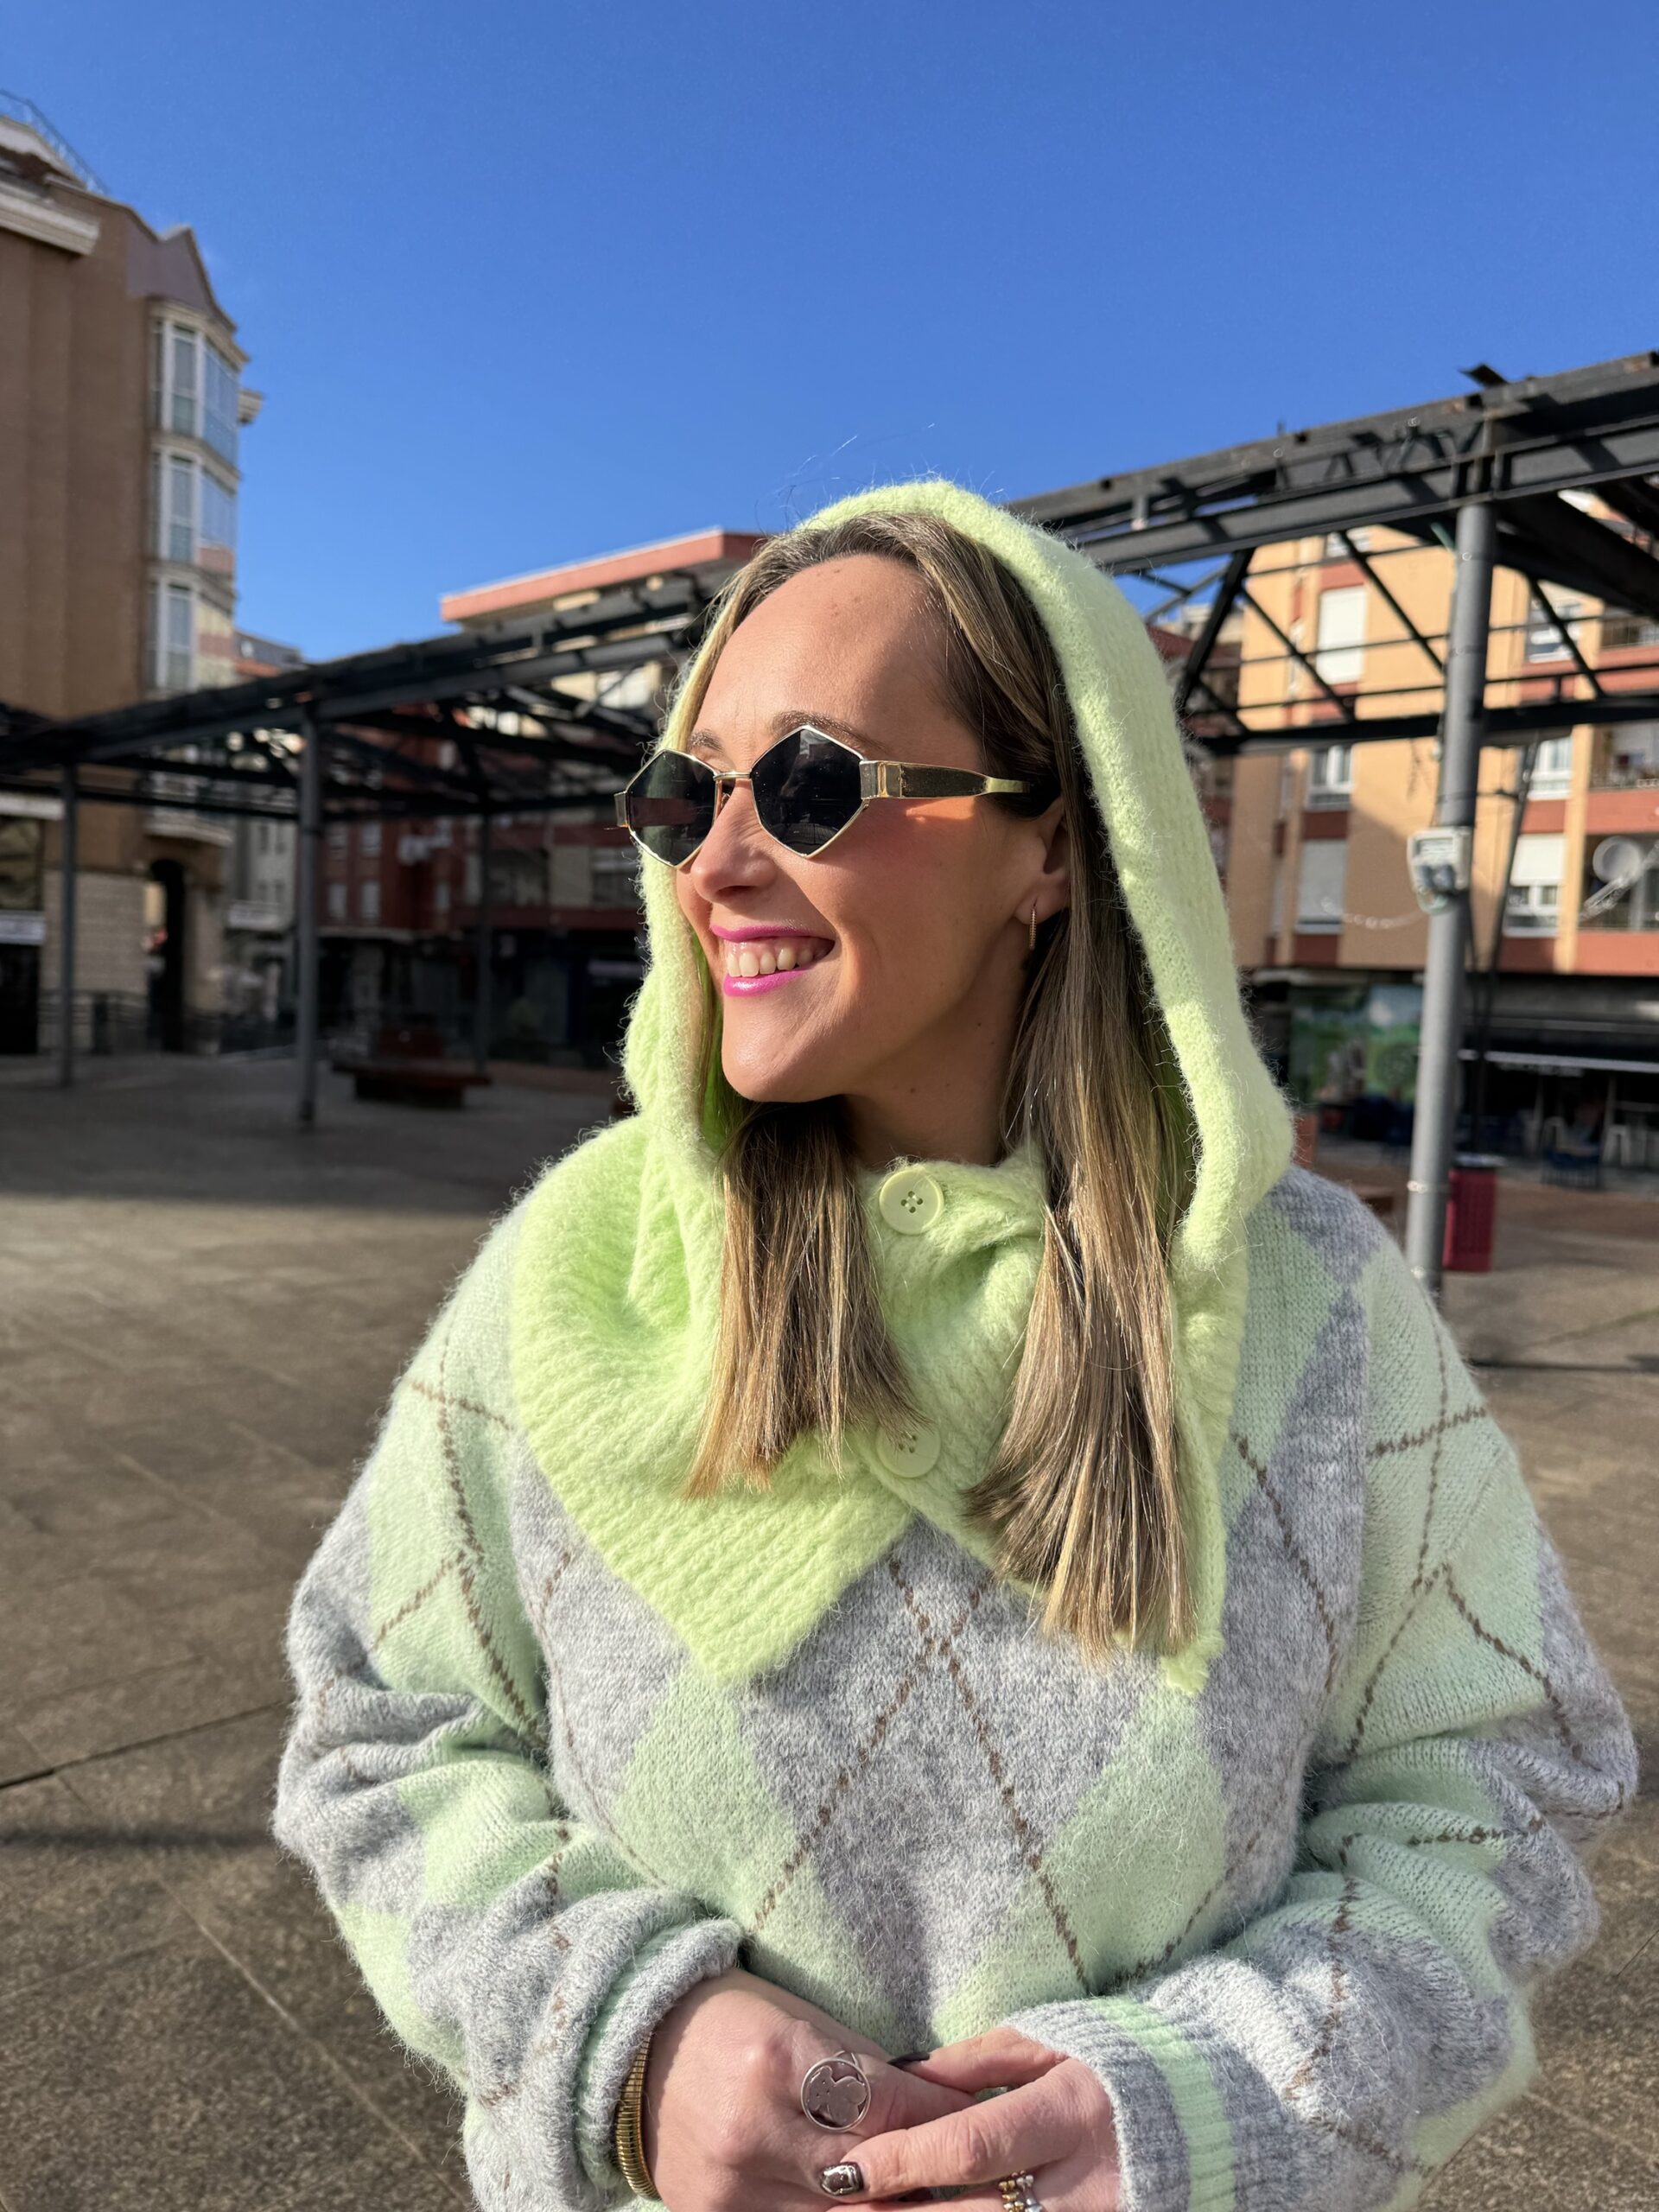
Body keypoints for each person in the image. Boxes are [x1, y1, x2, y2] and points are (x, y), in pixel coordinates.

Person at [273, 479, 1637, 2212]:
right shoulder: (573, 1266)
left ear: (1055, 844)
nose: (715, 862)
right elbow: (377, 1730)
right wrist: (620, 2039)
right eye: (685, 794)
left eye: (810, 785)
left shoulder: (1315, 1304)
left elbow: (1501, 1783)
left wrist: (1217, 2103)